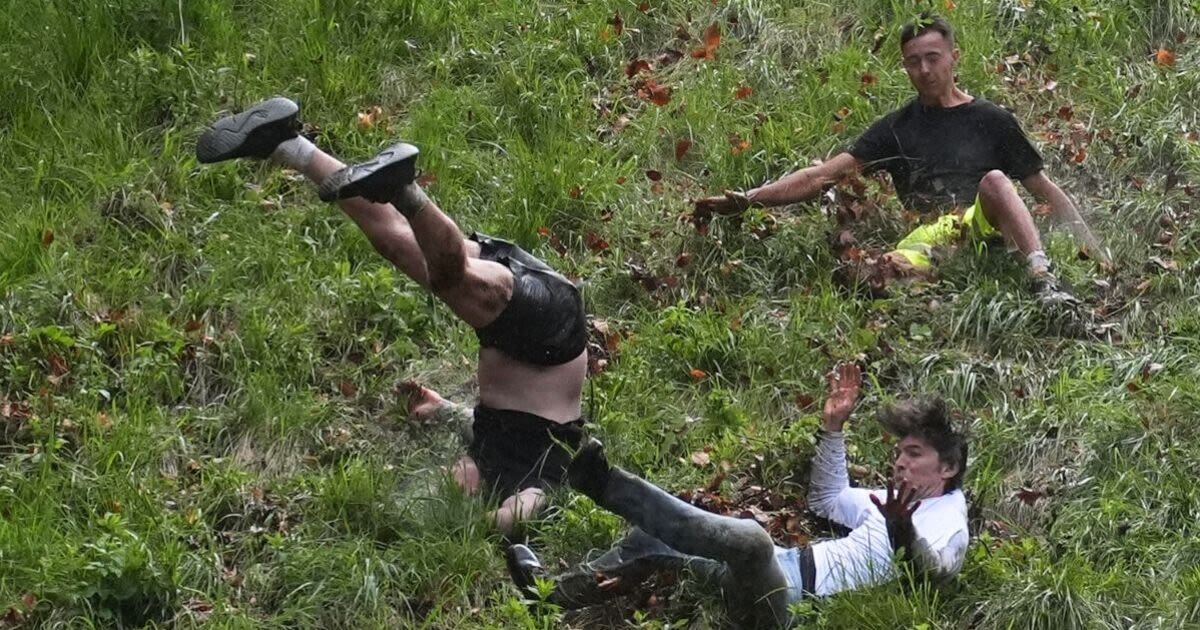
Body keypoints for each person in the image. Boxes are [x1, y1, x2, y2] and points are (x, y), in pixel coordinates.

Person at [195, 97, 590, 534]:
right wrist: (474, 531)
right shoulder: (544, 479)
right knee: (449, 279)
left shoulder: (490, 446)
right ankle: (404, 189)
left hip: (522, 325)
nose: (448, 481)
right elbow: (514, 519)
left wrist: (441, 410)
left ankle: (285, 144)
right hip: (550, 336)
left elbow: (492, 426)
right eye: (454, 488)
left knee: (398, 244)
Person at [506, 364, 969, 629]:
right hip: (788, 567)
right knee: (651, 538)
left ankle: (605, 483)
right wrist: (833, 428)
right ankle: (550, 594)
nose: (900, 463)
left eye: (914, 453)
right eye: (898, 453)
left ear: (947, 467)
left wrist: (904, 532)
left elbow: (940, 574)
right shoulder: (890, 499)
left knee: (750, 541)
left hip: (792, 605)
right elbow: (827, 500)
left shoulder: (949, 516)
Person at [694, 14, 1104, 304]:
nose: (924, 69)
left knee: (996, 181)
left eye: (933, 57)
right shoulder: (896, 128)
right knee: (870, 275)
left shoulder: (993, 120)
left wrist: (1094, 249)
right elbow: (823, 176)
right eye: (913, 61)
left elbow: (1043, 190)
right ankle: (927, 289)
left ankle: (1043, 280)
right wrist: (750, 199)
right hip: (928, 239)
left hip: (985, 229)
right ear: (904, 66)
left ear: (953, 58)